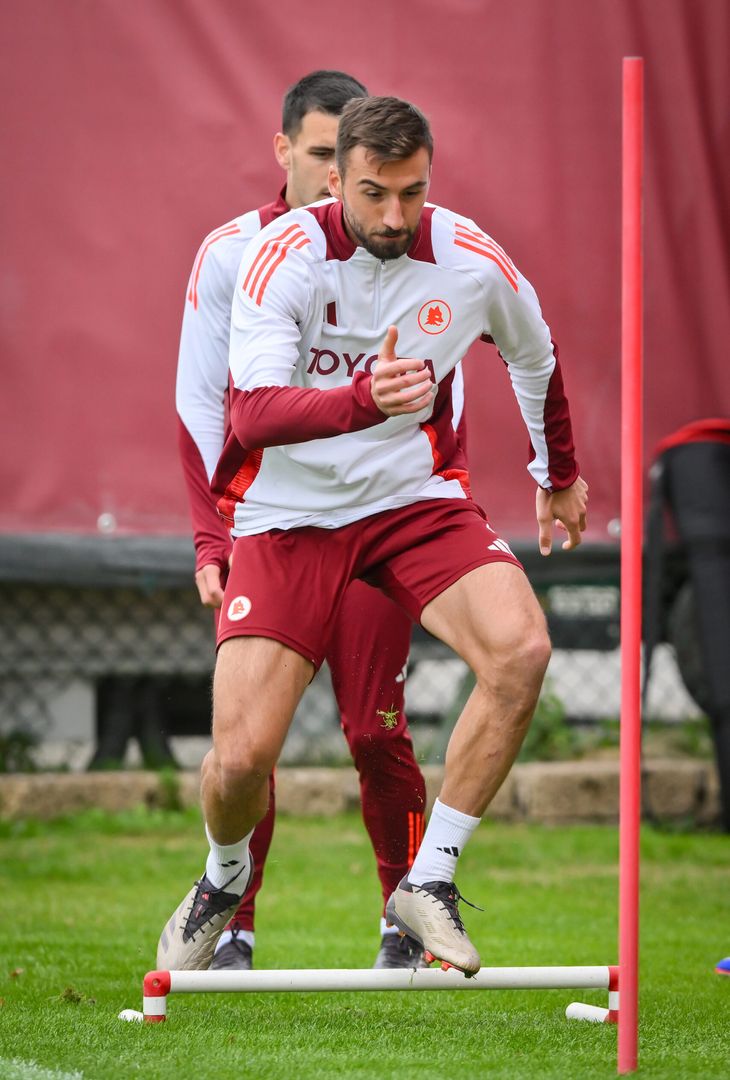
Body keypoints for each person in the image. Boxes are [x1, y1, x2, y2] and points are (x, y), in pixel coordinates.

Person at [160, 95, 588, 976]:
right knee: (241, 759)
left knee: (521, 652)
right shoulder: (280, 256)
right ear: (332, 179)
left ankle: (428, 881)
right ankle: (221, 879)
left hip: (412, 502)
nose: (395, 216)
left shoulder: (472, 259)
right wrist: (368, 396)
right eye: (374, 194)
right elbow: (251, 412)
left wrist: (559, 475)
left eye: (412, 193)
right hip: (290, 515)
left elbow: (536, 357)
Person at [175, 73, 461, 970]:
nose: (344, 177)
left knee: (376, 727)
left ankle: (404, 920)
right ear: (289, 154)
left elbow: (444, 384)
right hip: (273, 526)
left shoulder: (419, 246)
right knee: (246, 746)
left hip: (383, 517)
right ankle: (233, 924)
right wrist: (209, 534)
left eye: (362, 164)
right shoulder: (234, 253)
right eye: (322, 156)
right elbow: (201, 402)